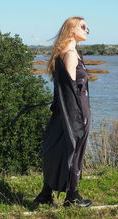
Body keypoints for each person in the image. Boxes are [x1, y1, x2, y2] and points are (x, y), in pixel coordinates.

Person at [34, 16, 92, 207]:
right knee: (72, 150)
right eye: (83, 26)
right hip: (74, 111)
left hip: (67, 110)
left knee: (59, 148)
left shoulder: (67, 53)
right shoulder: (70, 54)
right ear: (71, 29)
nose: (87, 30)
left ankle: (46, 193)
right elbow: (69, 89)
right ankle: (72, 197)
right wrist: (75, 118)